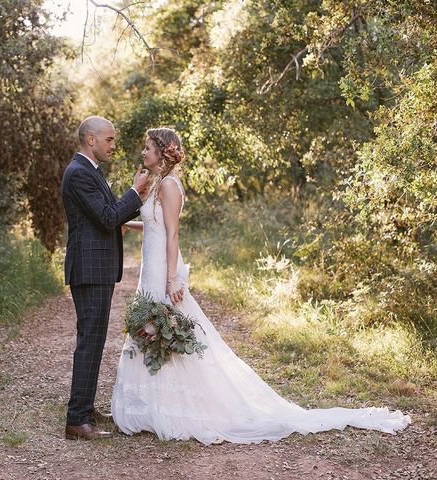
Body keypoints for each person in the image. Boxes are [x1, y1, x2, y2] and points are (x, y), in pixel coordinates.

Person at [110, 127, 411, 445]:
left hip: (161, 270)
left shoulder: (169, 185)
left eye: (147, 148)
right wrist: (127, 223)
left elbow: (172, 234)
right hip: (149, 269)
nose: (143, 153)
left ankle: (176, 407)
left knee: (167, 331)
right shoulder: (157, 183)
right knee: (151, 332)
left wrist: (171, 279)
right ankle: (153, 406)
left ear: (162, 151)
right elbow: (155, 225)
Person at [61, 116, 150, 440]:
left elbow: (113, 215)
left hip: (96, 268)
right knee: (89, 341)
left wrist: (135, 199)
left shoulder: (91, 172)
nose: (113, 145)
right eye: (109, 139)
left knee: (95, 340)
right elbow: (108, 217)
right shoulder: (78, 173)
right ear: (91, 140)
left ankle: (84, 409)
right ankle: (76, 420)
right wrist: (135, 192)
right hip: (89, 268)